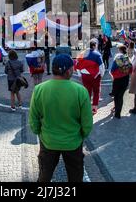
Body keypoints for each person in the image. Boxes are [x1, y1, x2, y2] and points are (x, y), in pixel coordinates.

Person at [29, 54, 93, 182]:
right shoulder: (81, 91)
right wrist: (82, 135)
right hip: (73, 142)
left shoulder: (39, 89)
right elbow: (87, 122)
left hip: (48, 140)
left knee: (44, 175)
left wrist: (38, 132)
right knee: (75, 176)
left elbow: (33, 118)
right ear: (69, 70)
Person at [75, 39, 105, 115]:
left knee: (87, 91)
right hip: (95, 76)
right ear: (94, 46)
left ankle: (86, 107)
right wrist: (101, 74)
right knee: (96, 91)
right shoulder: (97, 54)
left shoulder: (81, 54)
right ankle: (94, 108)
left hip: (84, 75)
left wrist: (80, 74)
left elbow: (77, 65)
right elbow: (101, 66)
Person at [110, 45, 133, 119]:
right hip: (125, 79)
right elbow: (131, 69)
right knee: (120, 96)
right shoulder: (127, 58)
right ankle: (118, 112)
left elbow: (112, 70)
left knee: (116, 96)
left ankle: (116, 111)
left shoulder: (117, 58)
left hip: (117, 80)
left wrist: (115, 75)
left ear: (120, 51)